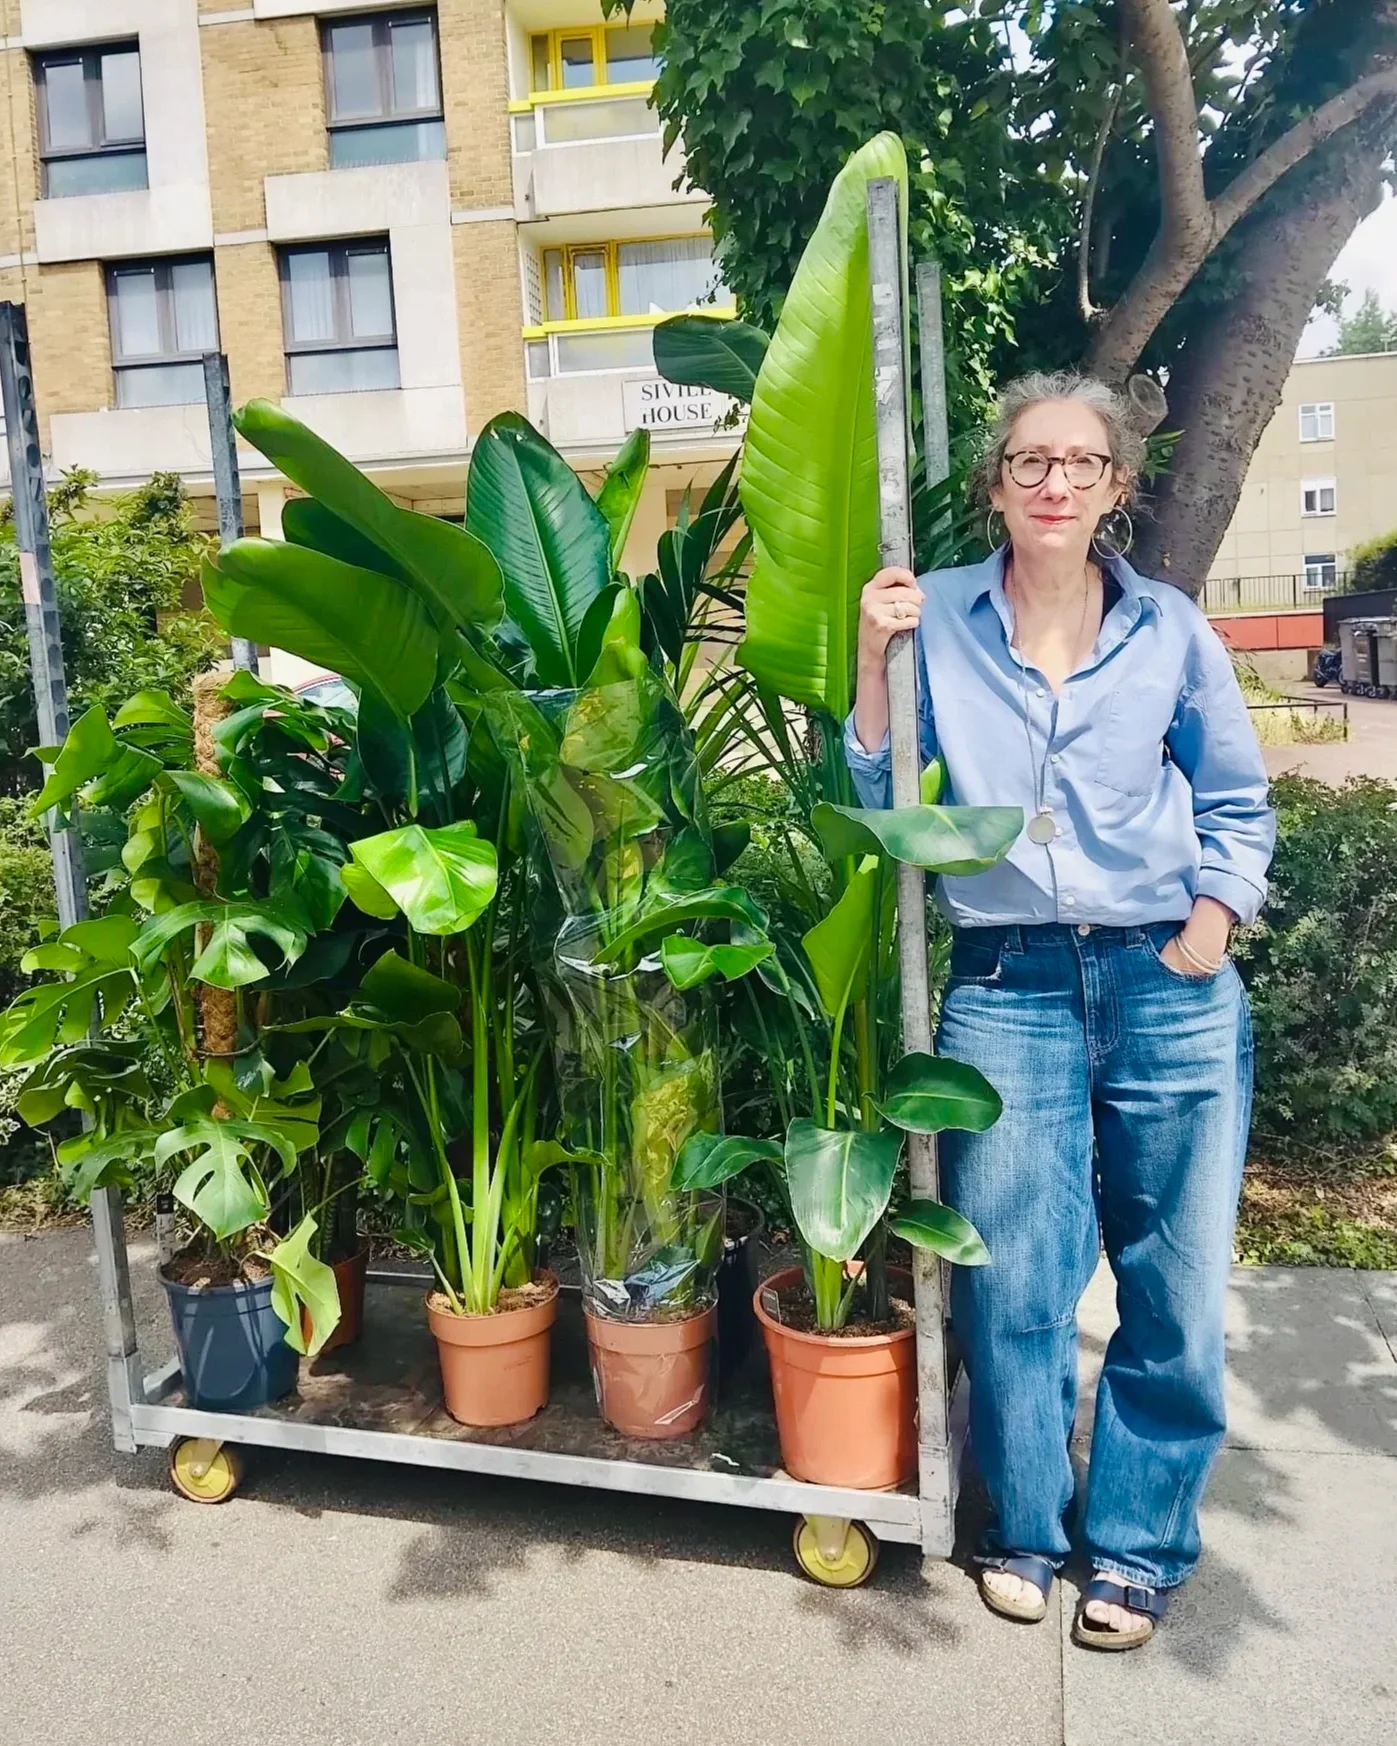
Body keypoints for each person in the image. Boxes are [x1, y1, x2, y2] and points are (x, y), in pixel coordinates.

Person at [846, 371, 1275, 1651]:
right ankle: (1026, 1527)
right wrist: (873, 660)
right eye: (1027, 462)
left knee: (1174, 1279)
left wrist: (1208, 928)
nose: (1050, 483)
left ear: (1112, 489)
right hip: (1008, 979)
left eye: (1077, 464)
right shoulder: (938, 618)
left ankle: (1134, 1548)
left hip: (1164, 978)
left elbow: (1234, 802)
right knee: (1016, 1281)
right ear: (994, 486)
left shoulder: (1173, 633)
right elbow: (875, 782)